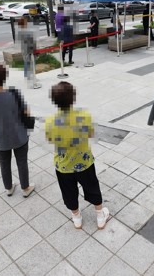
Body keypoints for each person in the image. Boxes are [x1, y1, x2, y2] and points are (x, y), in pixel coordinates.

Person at [45, 82, 111, 230]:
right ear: (73, 98)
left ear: (54, 101)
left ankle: (77, 218)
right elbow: (90, 134)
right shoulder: (84, 116)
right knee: (92, 186)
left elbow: (51, 139)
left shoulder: (50, 121)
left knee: (68, 191)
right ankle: (100, 216)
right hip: (84, 162)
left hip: (63, 166)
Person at [0, 63, 35, 197]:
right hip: (19, 136)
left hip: (0, 138)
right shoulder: (14, 94)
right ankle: (25, 187)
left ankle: (9, 188)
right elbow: (27, 111)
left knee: (4, 164)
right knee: (22, 162)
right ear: (4, 77)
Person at [18, 18, 41, 89]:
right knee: (32, 63)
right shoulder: (27, 32)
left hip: (24, 49)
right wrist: (35, 49)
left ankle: (27, 76)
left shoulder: (20, 32)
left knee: (26, 62)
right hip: (29, 49)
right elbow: (32, 42)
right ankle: (32, 76)